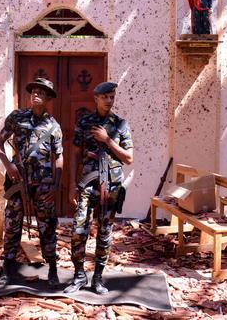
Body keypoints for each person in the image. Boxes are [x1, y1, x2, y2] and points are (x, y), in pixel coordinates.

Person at [64, 82, 134, 294]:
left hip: (111, 186)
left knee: (105, 233)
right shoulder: (84, 123)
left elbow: (129, 158)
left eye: (112, 96)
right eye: (105, 97)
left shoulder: (121, 125)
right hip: (86, 184)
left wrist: (108, 140)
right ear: (96, 98)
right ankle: (78, 275)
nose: (109, 100)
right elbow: (75, 153)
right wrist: (71, 185)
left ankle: (98, 278)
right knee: (78, 230)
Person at [0, 78, 63, 288]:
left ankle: (52, 268)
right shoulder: (16, 117)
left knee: (47, 226)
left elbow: (58, 156)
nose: (36, 94)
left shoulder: (53, 126)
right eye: (33, 90)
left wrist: (56, 185)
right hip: (17, 180)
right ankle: (7, 267)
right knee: (12, 224)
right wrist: (9, 166)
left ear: (48, 98)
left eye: (41, 92)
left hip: (43, 185)